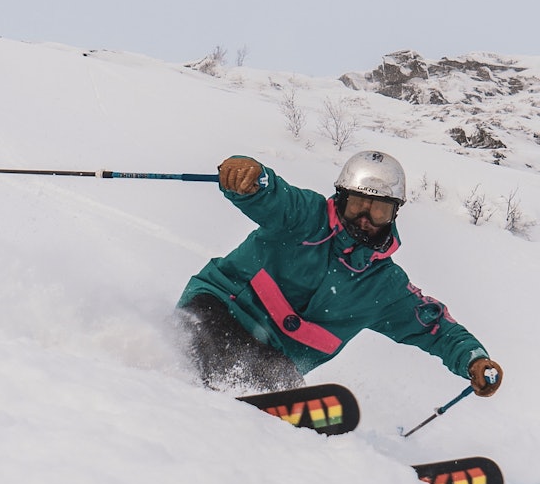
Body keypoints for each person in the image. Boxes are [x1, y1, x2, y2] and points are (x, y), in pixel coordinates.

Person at [176, 150, 503, 396]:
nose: (365, 218)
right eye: (358, 205)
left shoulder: (383, 286)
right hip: (220, 309)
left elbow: (435, 327)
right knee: (228, 359)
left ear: (393, 215)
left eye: (378, 210)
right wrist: (248, 177)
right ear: (341, 199)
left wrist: (473, 359)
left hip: (272, 358)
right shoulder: (305, 217)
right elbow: (272, 195)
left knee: (274, 382)